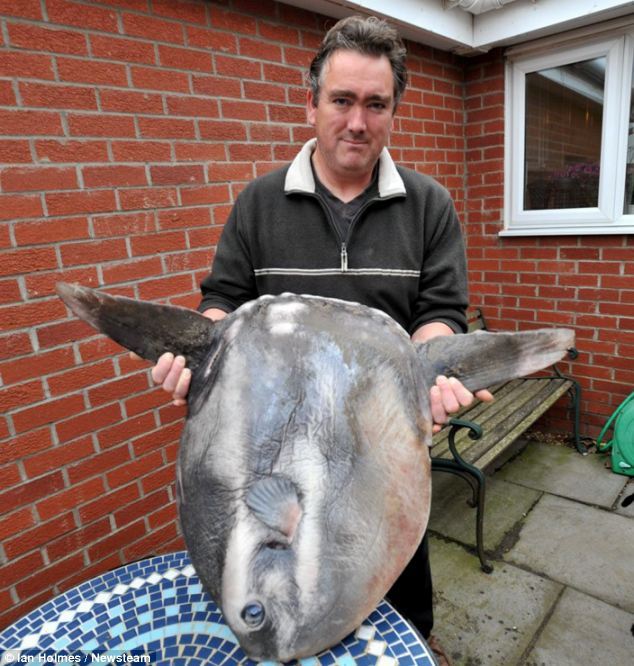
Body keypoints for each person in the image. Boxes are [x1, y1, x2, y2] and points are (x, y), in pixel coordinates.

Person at [149, 15, 492, 665]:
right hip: (276, 457)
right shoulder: (259, 202)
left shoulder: (430, 205)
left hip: (382, 457)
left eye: (375, 104)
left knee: (401, 599)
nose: (356, 122)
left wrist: (435, 369)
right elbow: (222, 299)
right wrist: (201, 355)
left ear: (394, 111)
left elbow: (441, 312)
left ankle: (412, 643)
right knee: (278, 605)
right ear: (311, 104)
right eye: (341, 100)